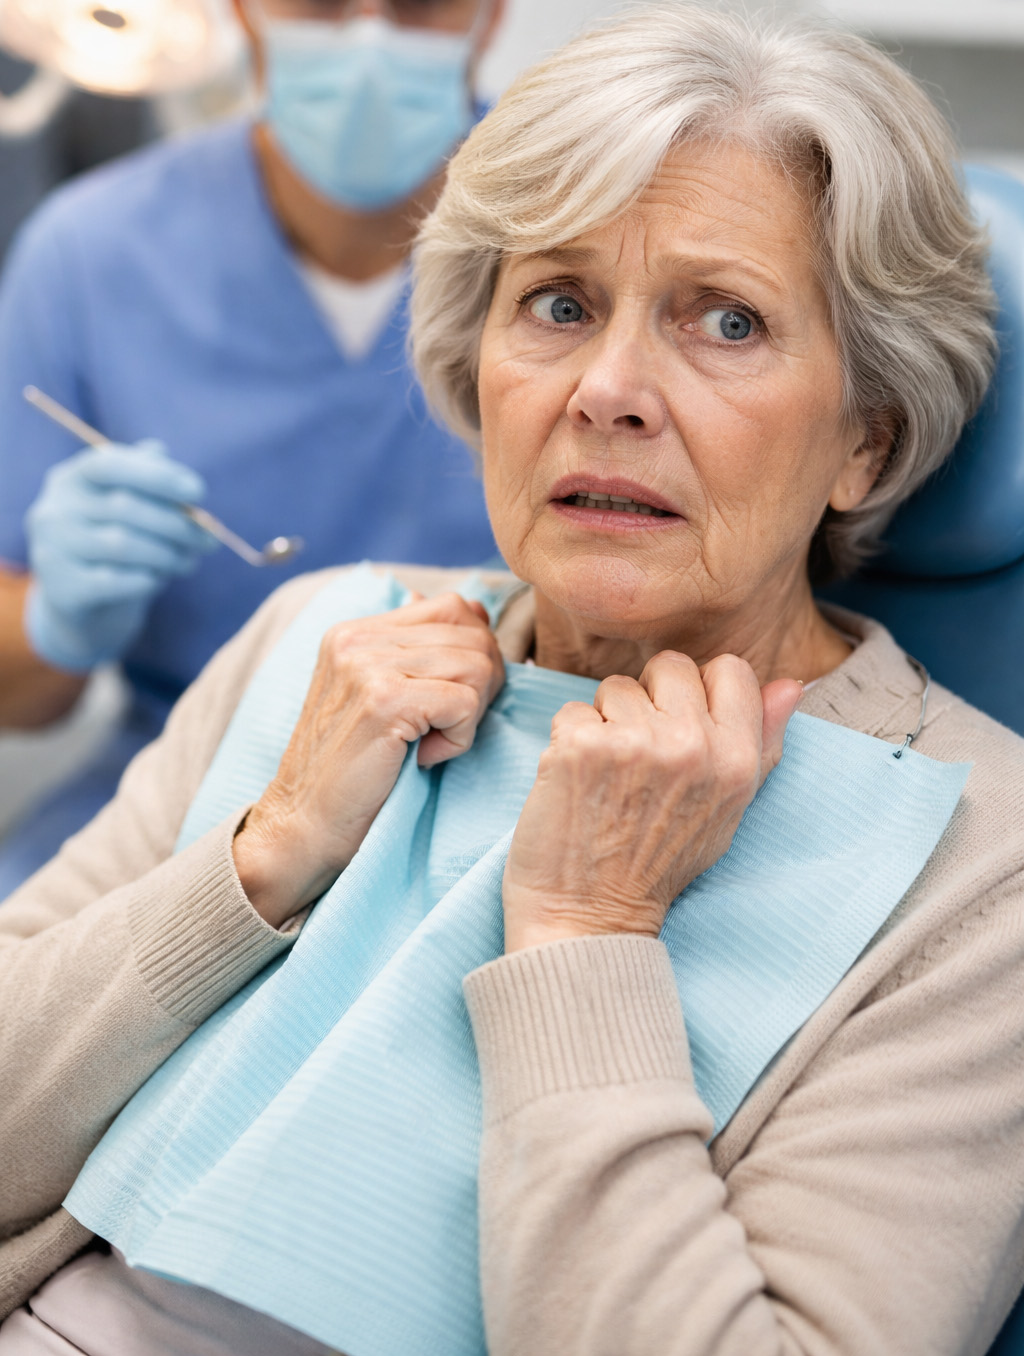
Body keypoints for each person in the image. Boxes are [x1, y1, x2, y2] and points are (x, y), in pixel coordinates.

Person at [1, 5, 1023, 1353]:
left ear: (865, 444)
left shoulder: (980, 867)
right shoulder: (326, 635)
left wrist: (589, 934)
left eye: (726, 320)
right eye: (558, 303)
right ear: (477, 373)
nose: (608, 389)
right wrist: (263, 857)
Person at [0, 0, 503, 894]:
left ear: (492, 13)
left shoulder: (593, 234)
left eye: (420, 2)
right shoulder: (91, 254)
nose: (368, 40)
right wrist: (55, 621)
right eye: (319, 1)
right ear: (240, 10)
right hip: (181, 788)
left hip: (500, 785)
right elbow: (18, 699)